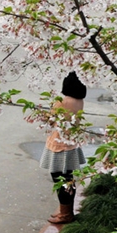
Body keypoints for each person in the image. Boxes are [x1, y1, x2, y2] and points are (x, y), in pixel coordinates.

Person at [40, 71, 88, 224]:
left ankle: (66, 214)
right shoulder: (79, 100)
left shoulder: (62, 101)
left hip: (59, 146)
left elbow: (50, 121)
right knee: (68, 180)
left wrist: (43, 114)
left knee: (61, 181)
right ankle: (66, 211)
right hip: (71, 144)